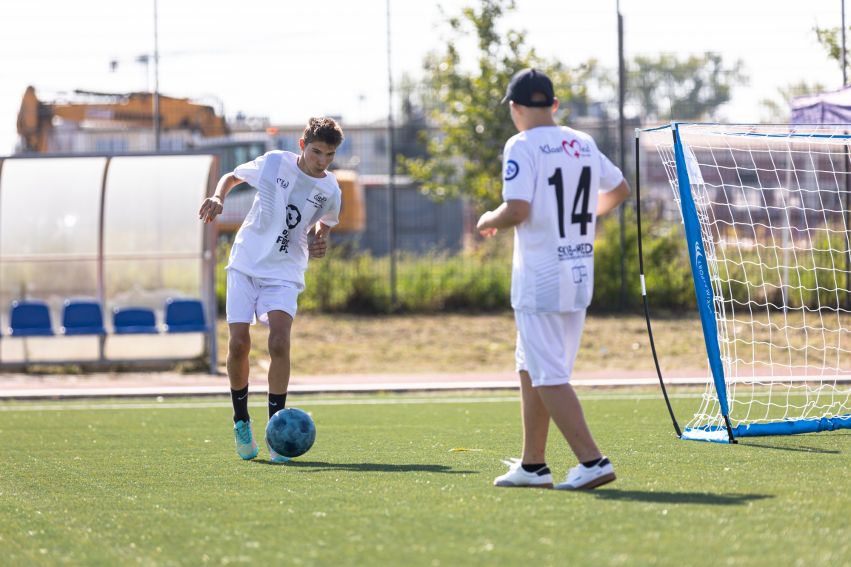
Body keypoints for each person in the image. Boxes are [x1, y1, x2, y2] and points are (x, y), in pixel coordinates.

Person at [477, 69, 629, 490]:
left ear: (515, 107)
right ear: (555, 106)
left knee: (547, 374)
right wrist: (577, 220)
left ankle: (592, 460)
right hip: (578, 271)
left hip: (541, 277)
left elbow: (517, 209)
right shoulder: (582, 141)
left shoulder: (520, 144)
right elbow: (619, 190)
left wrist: (487, 219)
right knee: (531, 366)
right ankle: (533, 465)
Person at [199, 117, 344, 462]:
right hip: (246, 262)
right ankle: (241, 421)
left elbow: (326, 222)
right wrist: (218, 197)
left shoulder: (331, 189)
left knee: (279, 341)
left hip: (284, 270)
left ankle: (277, 431)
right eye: (316, 151)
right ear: (302, 145)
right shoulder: (274, 162)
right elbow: (231, 176)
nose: (321, 160)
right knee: (238, 345)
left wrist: (321, 238)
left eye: (329, 155)